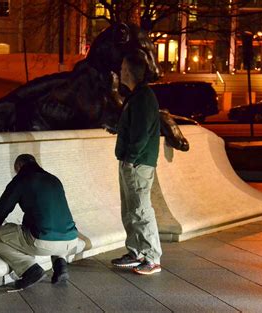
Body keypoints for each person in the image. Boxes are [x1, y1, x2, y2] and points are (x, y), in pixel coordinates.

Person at [0, 154, 79, 290]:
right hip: (71, 240)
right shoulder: (54, 179)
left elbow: (2, 209)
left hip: (43, 242)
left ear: (18, 166)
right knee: (54, 227)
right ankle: (61, 266)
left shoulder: (22, 179)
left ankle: (29, 269)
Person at [111, 51, 163, 275]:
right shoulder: (137, 95)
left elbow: (141, 133)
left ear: (130, 72)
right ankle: (136, 252)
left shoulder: (143, 97)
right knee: (130, 209)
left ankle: (151, 257)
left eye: (122, 68)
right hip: (131, 161)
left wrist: (130, 159)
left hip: (137, 163)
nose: (119, 71)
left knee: (140, 210)